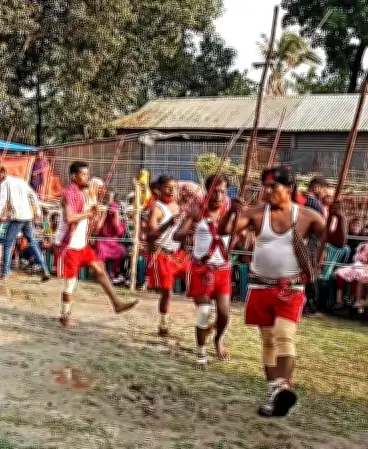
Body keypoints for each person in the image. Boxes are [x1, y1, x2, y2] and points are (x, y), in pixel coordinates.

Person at [220, 166, 346, 417]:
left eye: (272, 187)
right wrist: (231, 213)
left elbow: (337, 242)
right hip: (259, 286)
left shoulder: (309, 216)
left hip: (291, 288)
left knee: (284, 335)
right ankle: (276, 393)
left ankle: (281, 387)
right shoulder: (256, 213)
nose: (266, 191)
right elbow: (225, 231)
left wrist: (339, 218)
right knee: (268, 340)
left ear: (288, 189)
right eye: (264, 186)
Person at [54, 161, 138, 328]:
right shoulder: (69, 193)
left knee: (99, 268)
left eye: (88, 174)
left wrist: (93, 212)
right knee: (71, 282)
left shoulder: (83, 192)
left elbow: (89, 216)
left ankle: (116, 303)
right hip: (69, 245)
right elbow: (70, 218)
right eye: (84, 174)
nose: (88, 177)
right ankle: (65, 315)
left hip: (81, 244)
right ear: (74, 176)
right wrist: (88, 213)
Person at [173, 175, 232, 367]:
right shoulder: (197, 209)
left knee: (224, 314)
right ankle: (200, 352)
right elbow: (177, 234)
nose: (218, 195)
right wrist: (189, 228)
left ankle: (217, 339)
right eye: (214, 191)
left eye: (222, 191)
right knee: (205, 311)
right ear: (207, 191)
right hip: (201, 268)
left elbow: (240, 231)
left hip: (222, 269)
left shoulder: (231, 210)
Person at [146, 175, 189, 336]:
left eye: (175, 188)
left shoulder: (178, 207)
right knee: (167, 291)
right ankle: (163, 324)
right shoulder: (157, 208)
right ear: (159, 189)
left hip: (177, 254)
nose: (172, 191)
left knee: (194, 276)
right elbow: (150, 235)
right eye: (168, 187)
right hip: (161, 254)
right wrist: (168, 224)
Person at [0, 167, 50, 282]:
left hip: (17, 217)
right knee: (32, 242)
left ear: (2, 174)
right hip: (27, 216)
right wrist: (37, 211)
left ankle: (4, 273)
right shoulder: (20, 181)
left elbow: (2, 203)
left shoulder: (4, 184)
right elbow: (33, 195)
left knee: (8, 244)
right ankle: (45, 269)